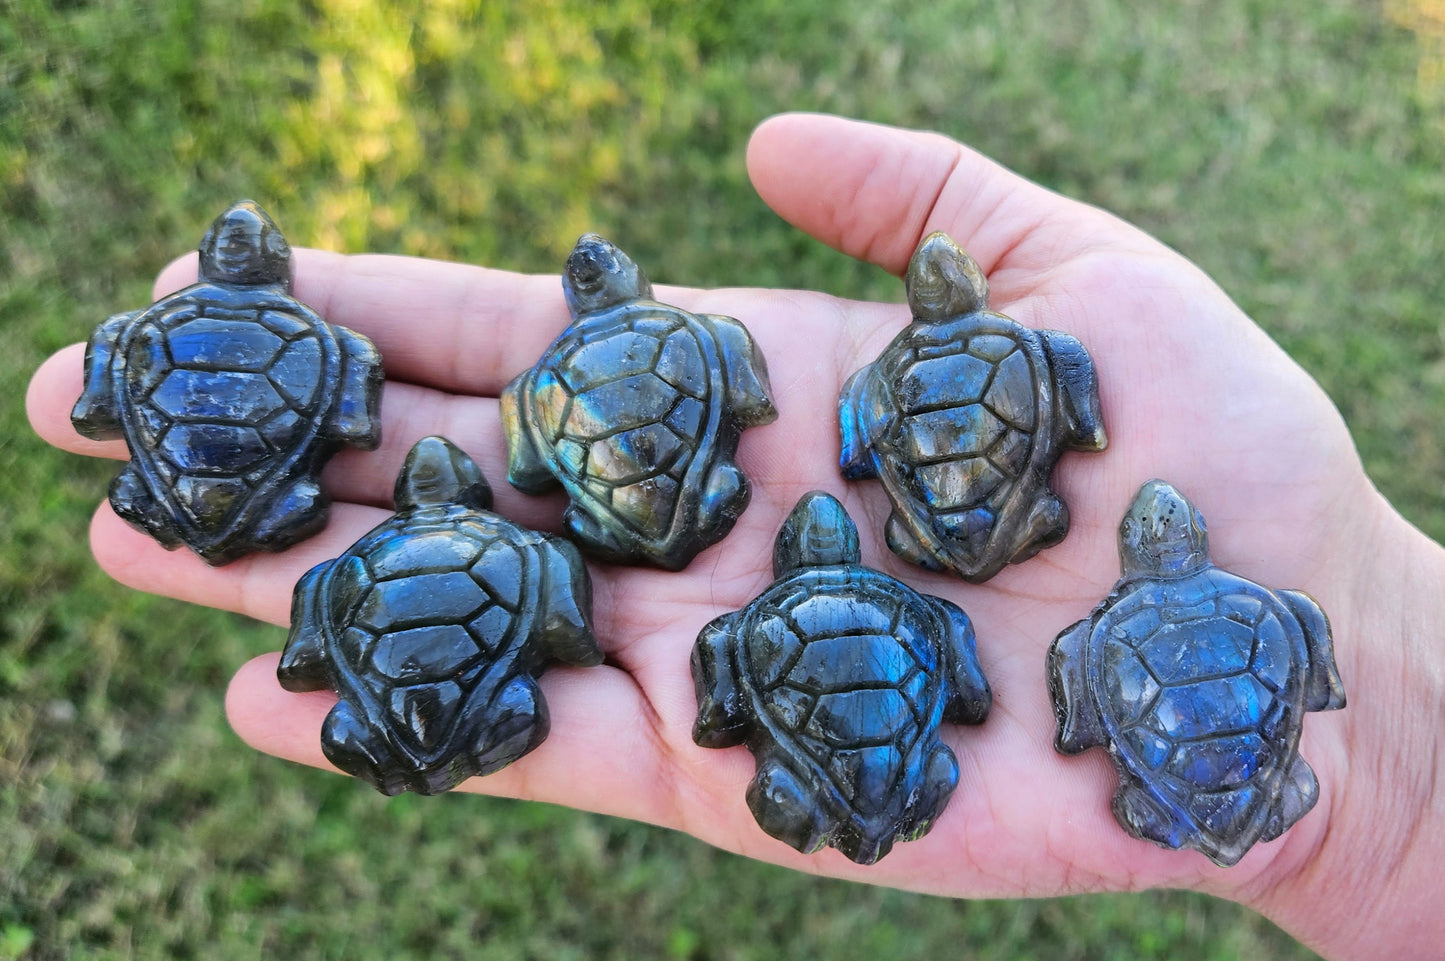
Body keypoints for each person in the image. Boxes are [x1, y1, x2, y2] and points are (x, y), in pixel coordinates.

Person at [24, 113, 1439, 960]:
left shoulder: (550, 441)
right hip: (922, 561)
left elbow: (692, 653)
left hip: (589, 548)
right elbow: (957, 526)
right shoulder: (722, 385)